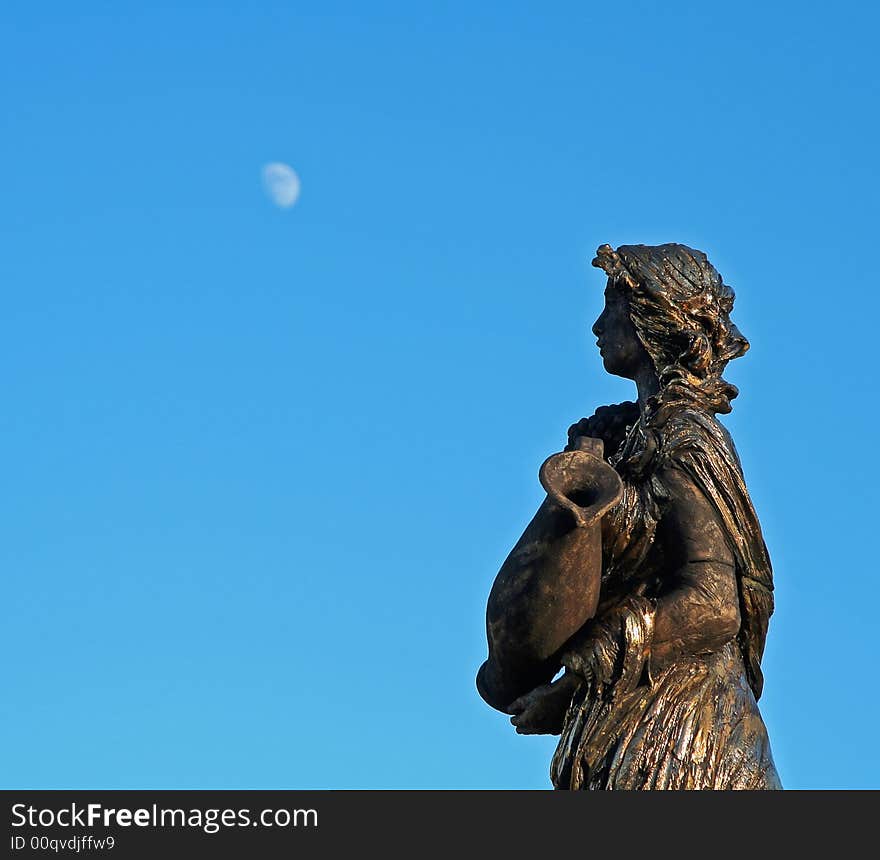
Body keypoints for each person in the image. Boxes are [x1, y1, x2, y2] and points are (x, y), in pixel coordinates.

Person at [505, 243, 782, 790]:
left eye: (612, 306)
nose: (597, 324)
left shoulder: (681, 438)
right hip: (647, 718)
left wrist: (579, 675)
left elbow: (715, 604)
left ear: (655, 318)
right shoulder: (629, 437)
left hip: (684, 738)